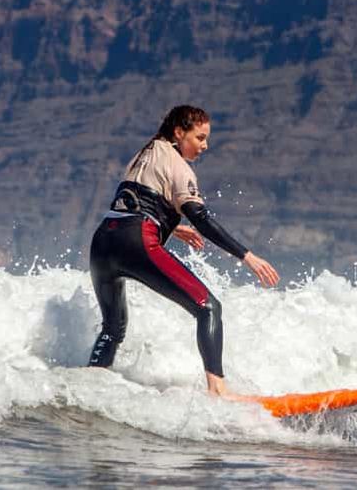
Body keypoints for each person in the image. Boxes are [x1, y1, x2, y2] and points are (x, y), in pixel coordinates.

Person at [87, 105, 279, 397]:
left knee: (113, 328)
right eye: (200, 137)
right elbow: (200, 218)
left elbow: (133, 202)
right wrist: (247, 256)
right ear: (179, 132)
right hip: (137, 241)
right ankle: (218, 390)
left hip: (102, 243)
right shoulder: (179, 166)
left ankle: (88, 386)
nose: (205, 146)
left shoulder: (144, 154)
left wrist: (174, 228)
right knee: (209, 308)